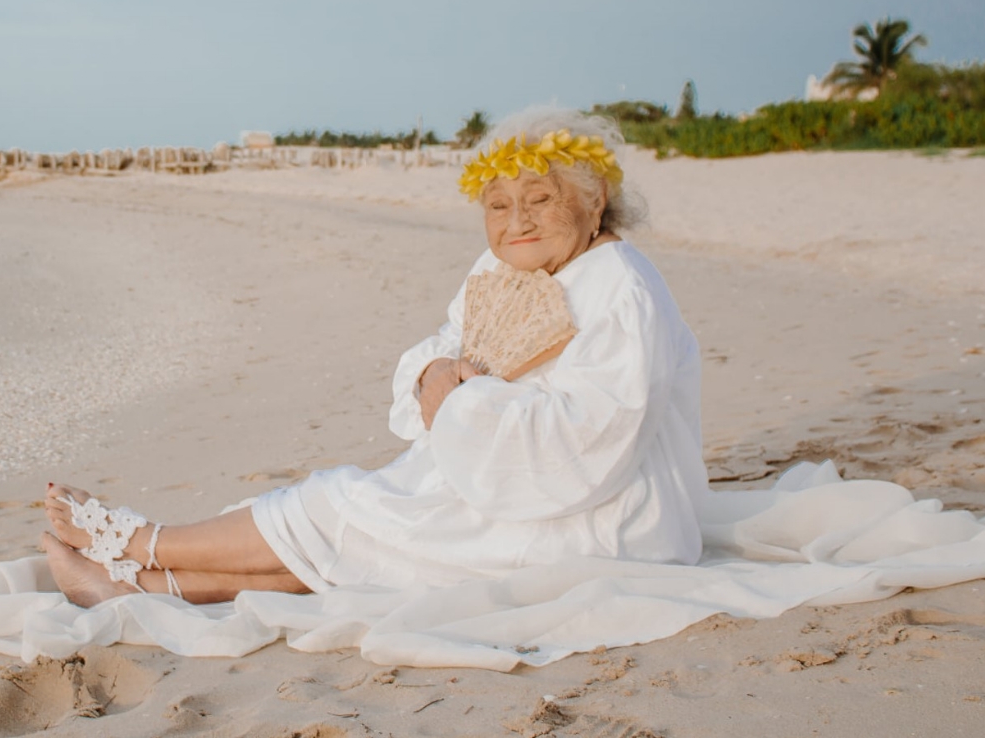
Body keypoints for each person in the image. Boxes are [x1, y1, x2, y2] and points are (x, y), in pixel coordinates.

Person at [39, 107, 709, 607]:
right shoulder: (504, 264)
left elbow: (598, 432)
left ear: (594, 201)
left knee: (342, 507)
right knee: (362, 525)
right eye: (498, 204)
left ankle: (138, 542)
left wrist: (467, 402)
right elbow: (450, 341)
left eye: (540, 199)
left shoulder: (622, 286)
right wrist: (434, 374)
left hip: (601, 519)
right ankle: (146, 589)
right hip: (510, 480)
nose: (516, 221)